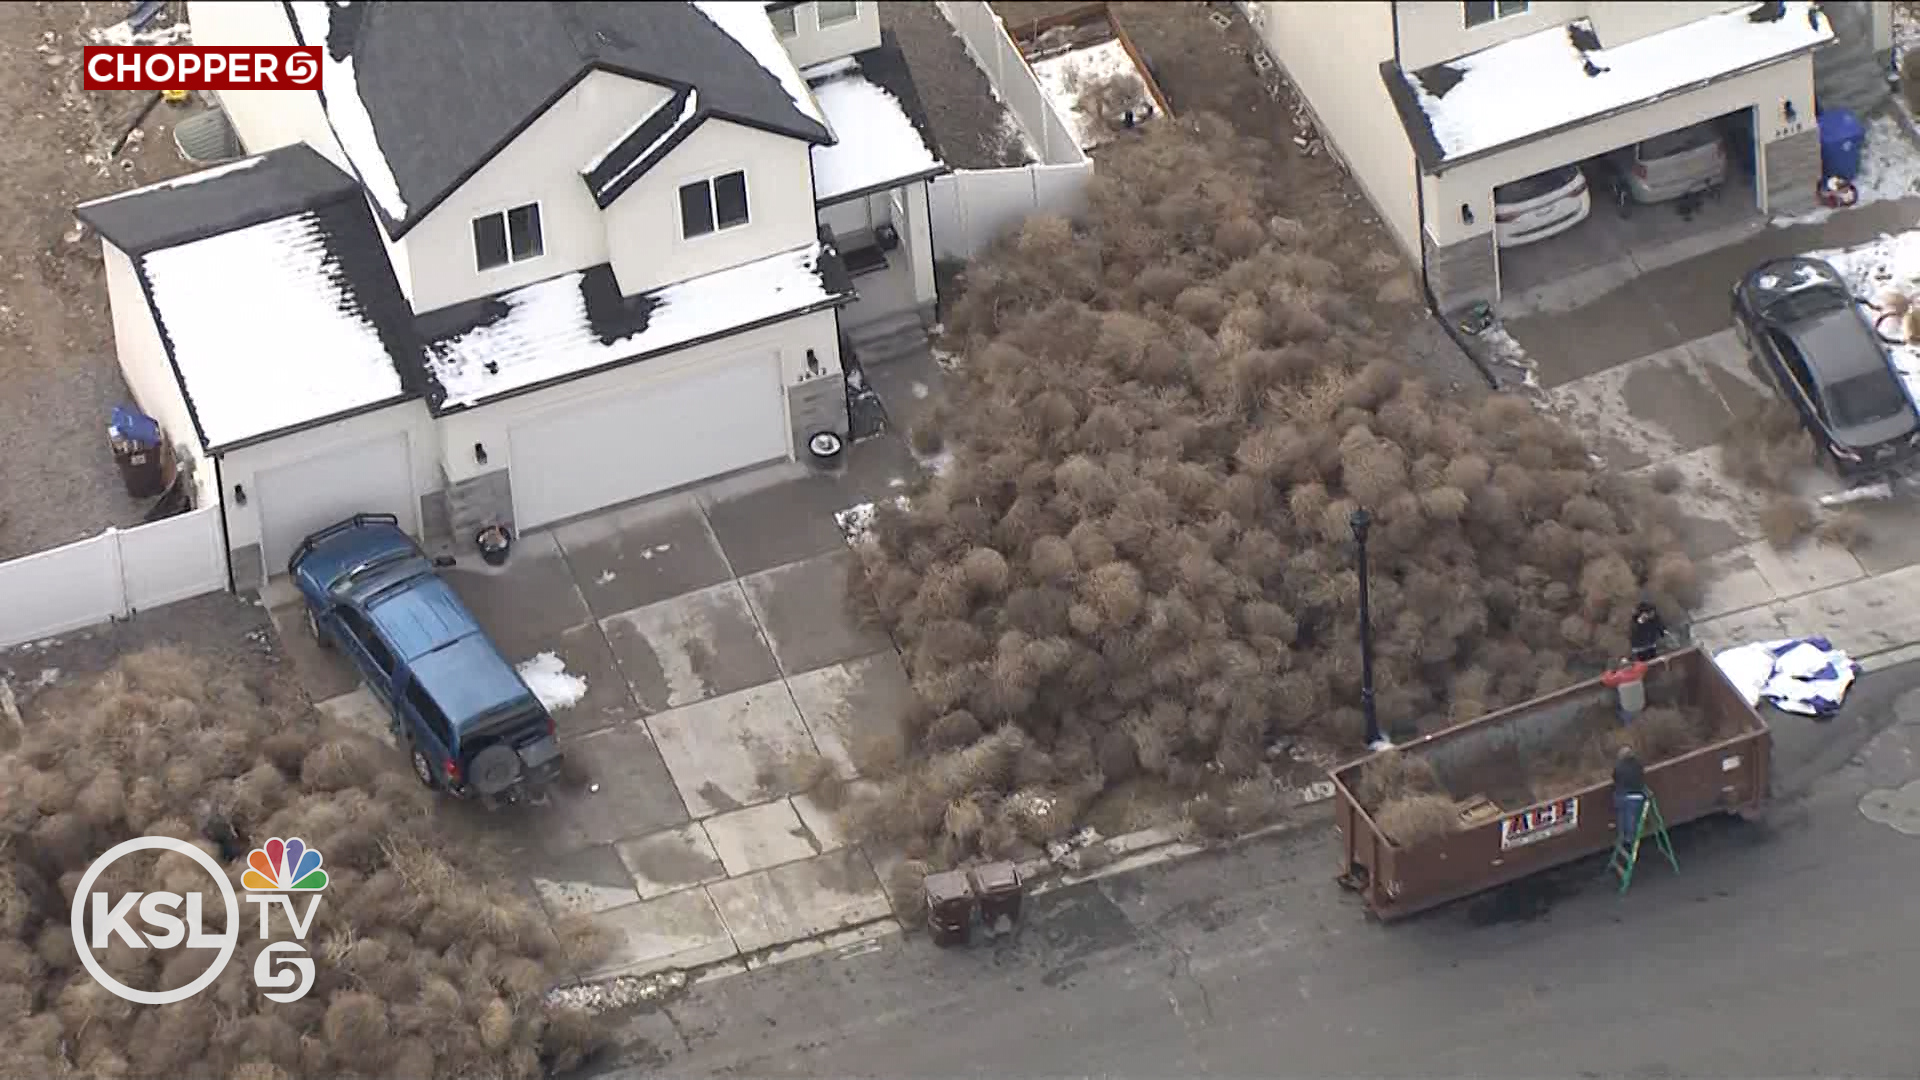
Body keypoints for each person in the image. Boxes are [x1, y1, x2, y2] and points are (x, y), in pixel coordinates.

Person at [1612, 746, 1647, 846]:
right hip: (1636, 795)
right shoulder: (1638, 765)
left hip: (1621, 795)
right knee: (1631, 817)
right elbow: (1641, 775)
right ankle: (1630, 837)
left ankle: (1622, 836)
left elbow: (1615, 778)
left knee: (1622, 816)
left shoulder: (1618, 767)